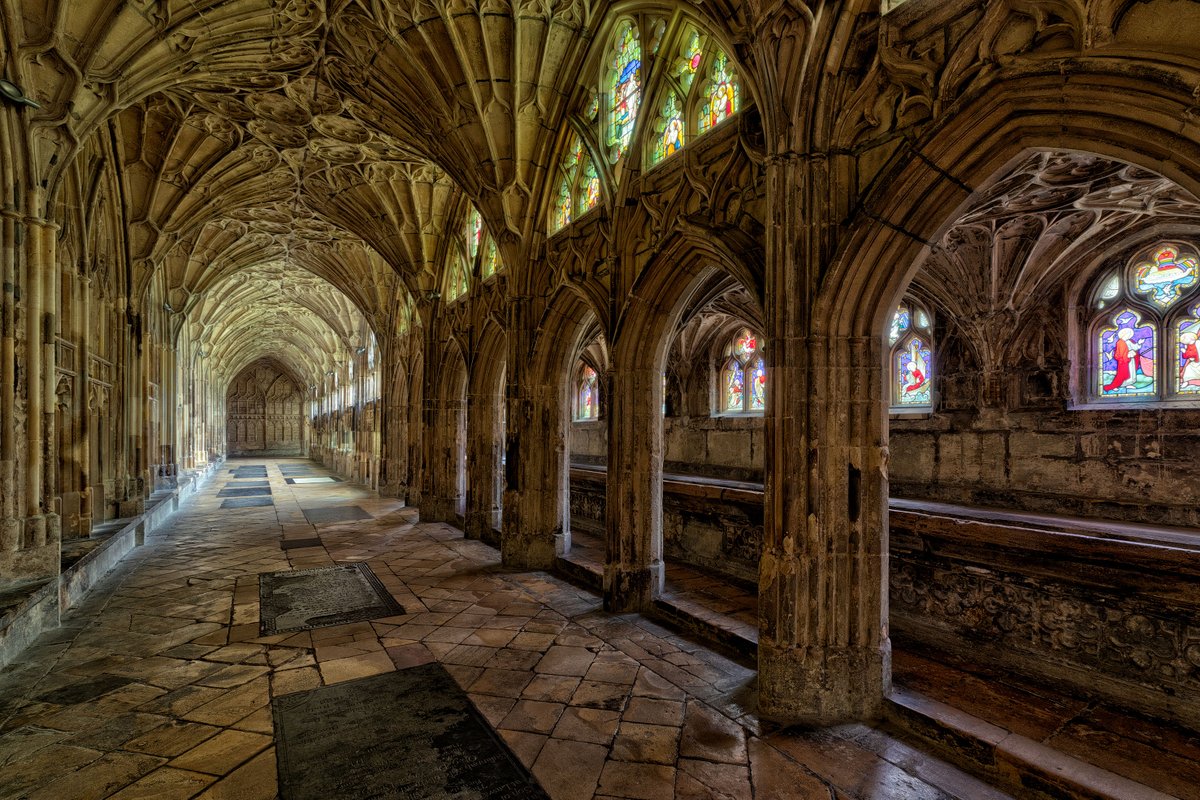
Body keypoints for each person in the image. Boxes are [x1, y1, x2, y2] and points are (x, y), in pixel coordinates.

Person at [1103, 327, 1141, 392]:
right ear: (1124, 334)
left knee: (1131, 373)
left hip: (1131, 360)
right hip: (1124, 361)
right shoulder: (1120, 342)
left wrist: (1139, 343)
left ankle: (1127, 384)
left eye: (1130, 334)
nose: (1129, 336)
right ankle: (1114, 386)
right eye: (1128, 334)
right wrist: (1128, 354)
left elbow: (1135, 347)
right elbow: (1119, 354)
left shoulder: (1129, 341)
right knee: (1122, 374)